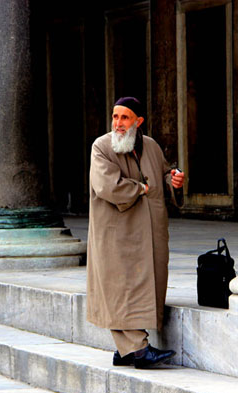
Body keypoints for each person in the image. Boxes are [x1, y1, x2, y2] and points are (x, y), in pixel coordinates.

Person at [86, 96, 185, 369]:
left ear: (138, 121)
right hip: (116, 234)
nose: (118, 123)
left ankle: (125, 350)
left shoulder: (151, 146)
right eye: (115, 117)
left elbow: (164, 175)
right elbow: (107, 186)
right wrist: (140, 189)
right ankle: (138, 350)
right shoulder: (102, 147)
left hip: (151, 233)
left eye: (125, 117)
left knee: (144, 286)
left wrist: (174, 179)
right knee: (121, 289)